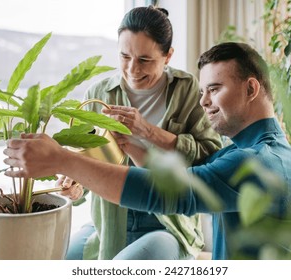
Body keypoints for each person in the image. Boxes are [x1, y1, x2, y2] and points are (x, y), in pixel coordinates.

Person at [3, 42, 291, 259]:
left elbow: (170, 193)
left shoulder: (260, 162)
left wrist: (62, 159)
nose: (203, 101)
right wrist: (131, 146)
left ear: (251, 89)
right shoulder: (247, 151)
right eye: (203, 91)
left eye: (214, 89)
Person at [52, 5, 222, 260]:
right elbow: (82, 166)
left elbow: (212, 157)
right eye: (124, 56)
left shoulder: (187, 90)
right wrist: (74, 187)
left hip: (167, 223)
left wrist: (148, 131)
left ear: (168, 56)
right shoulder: (98, 95)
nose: (132, 69)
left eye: (144, 60)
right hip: (110, 222)